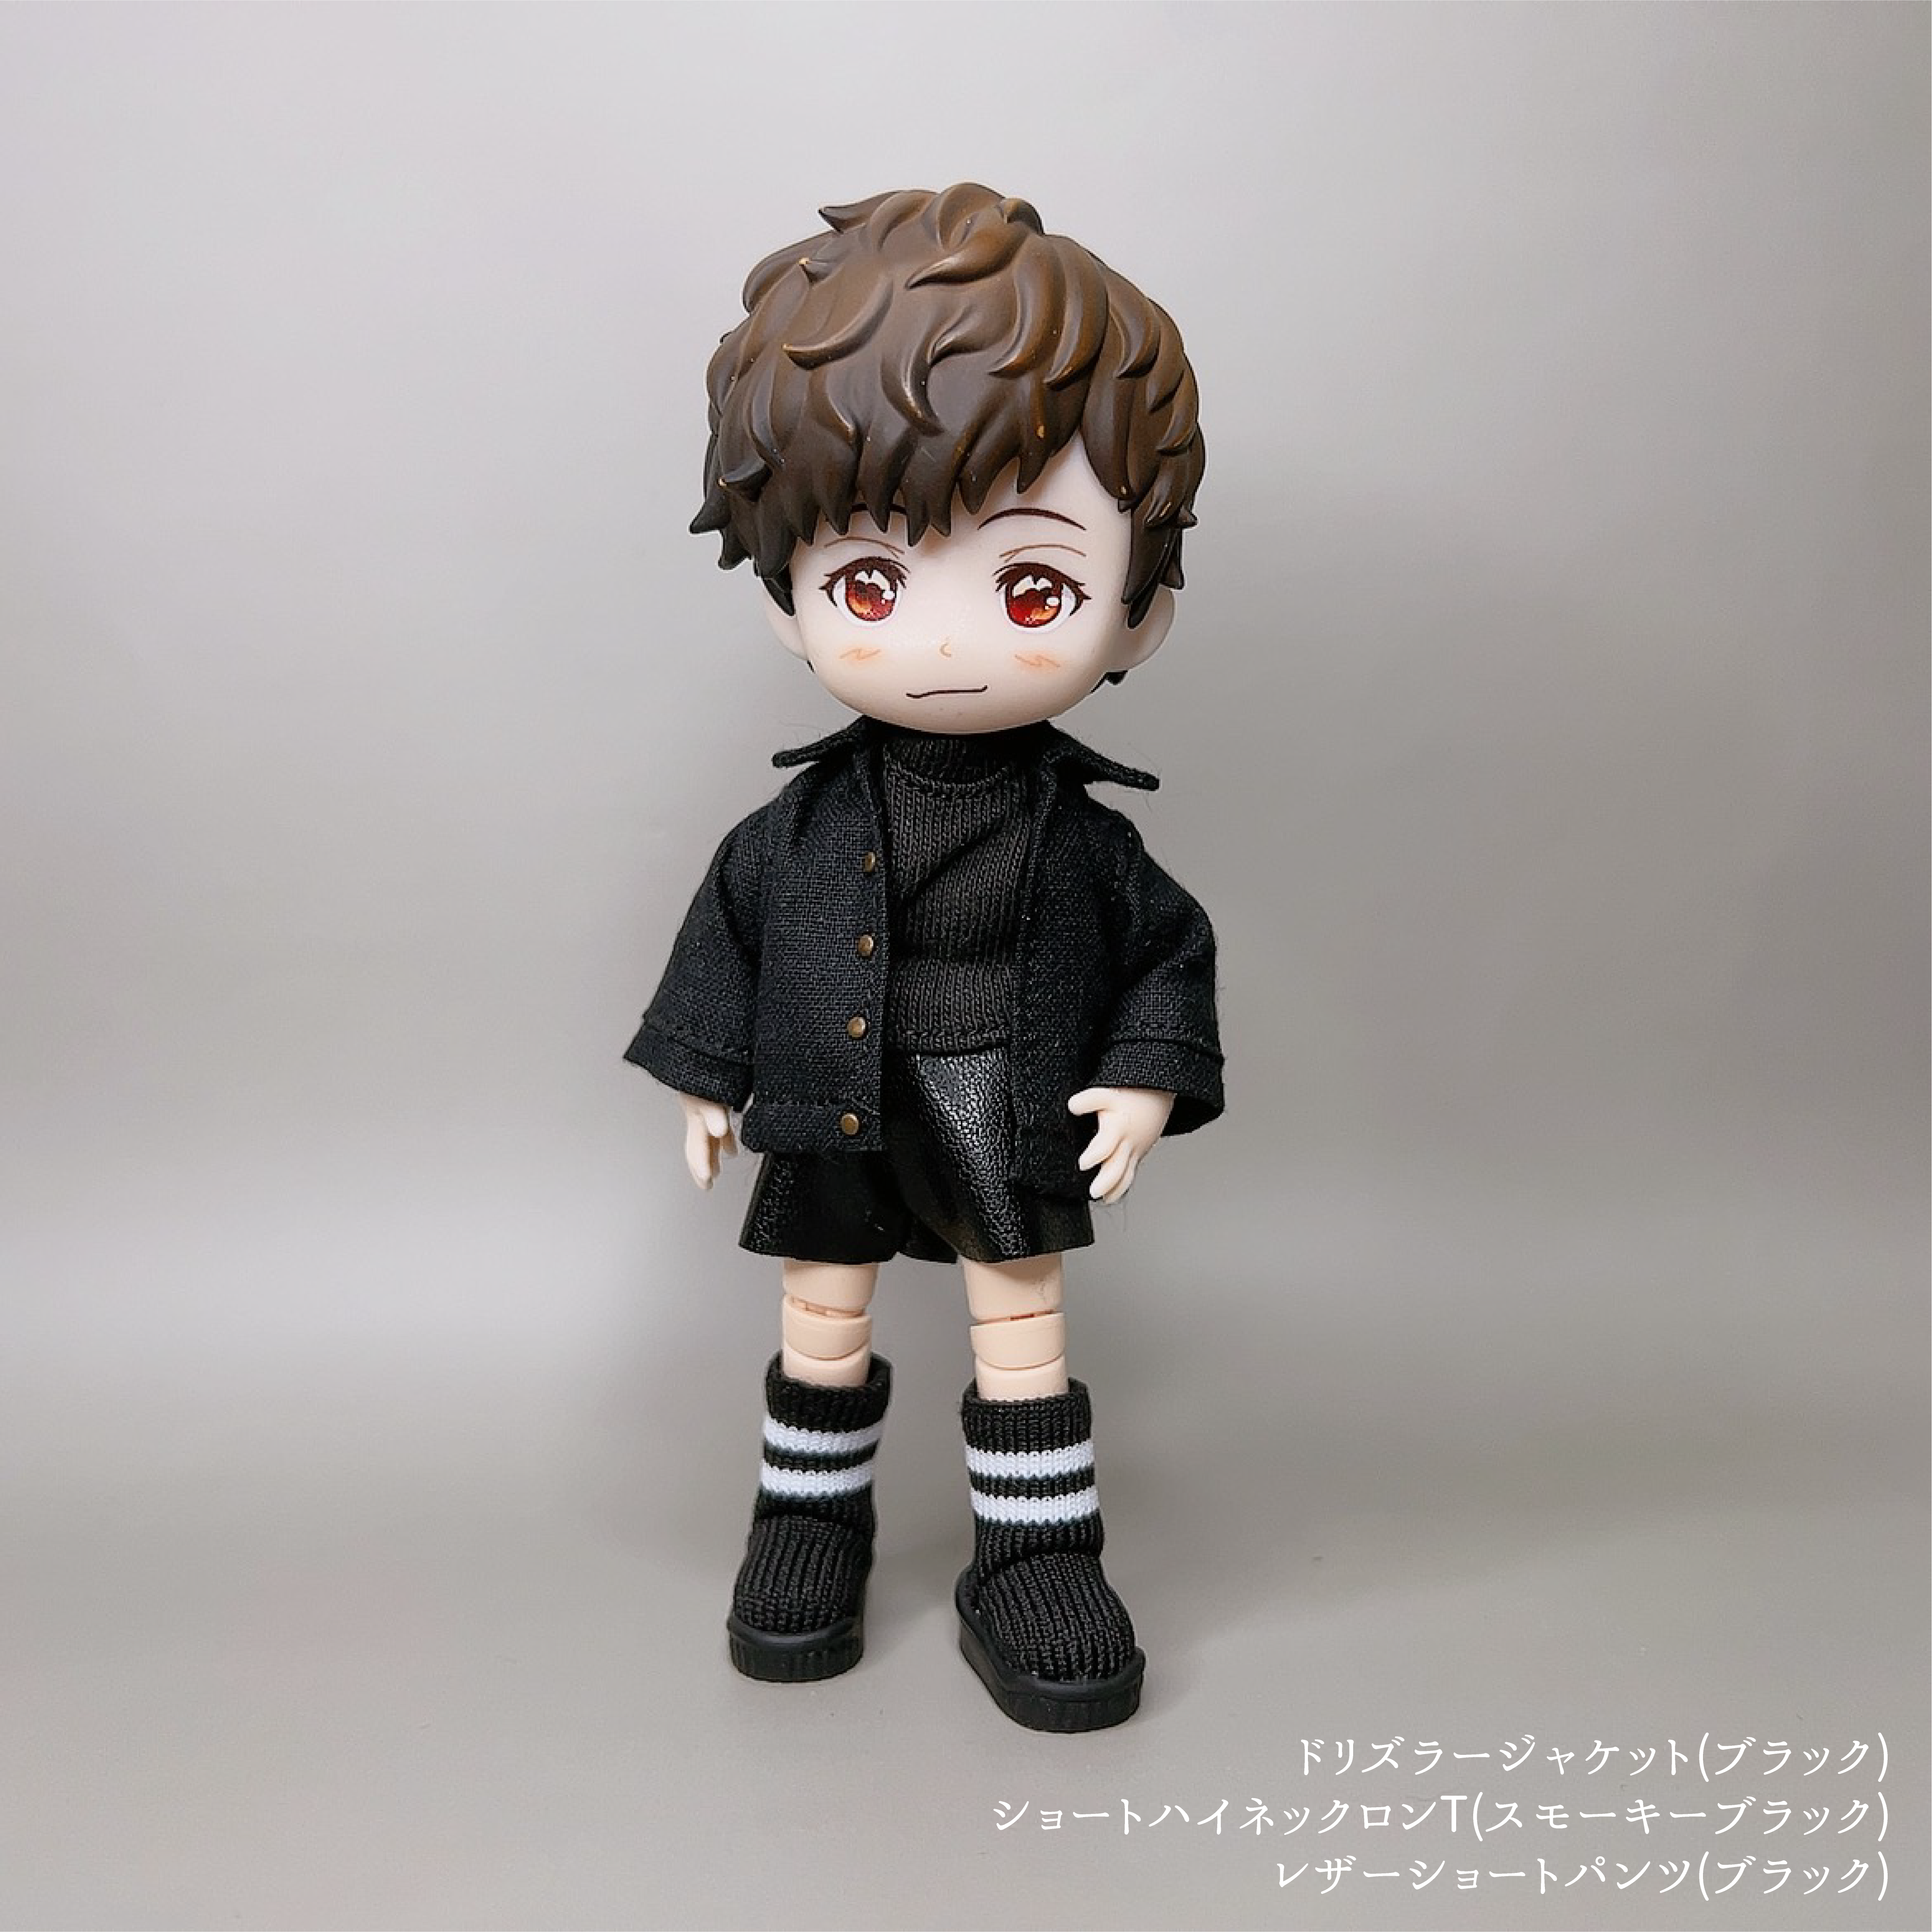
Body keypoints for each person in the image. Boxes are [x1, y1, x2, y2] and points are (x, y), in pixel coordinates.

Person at [625, 184, 1222, 1731]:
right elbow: (728, 928)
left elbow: (1165, 949)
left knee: (1018, 1322)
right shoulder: (794, 831)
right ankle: (808, 1523)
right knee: (821, 1311)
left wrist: (1143, 1080)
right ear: (791, 601)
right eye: (872, 586)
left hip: (1000, 1099)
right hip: (832, 1090)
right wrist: (703, 1075)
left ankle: (1035, 1552)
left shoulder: (1085, 841)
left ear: (1137, 613)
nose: (943, 642)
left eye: (1032, 588)